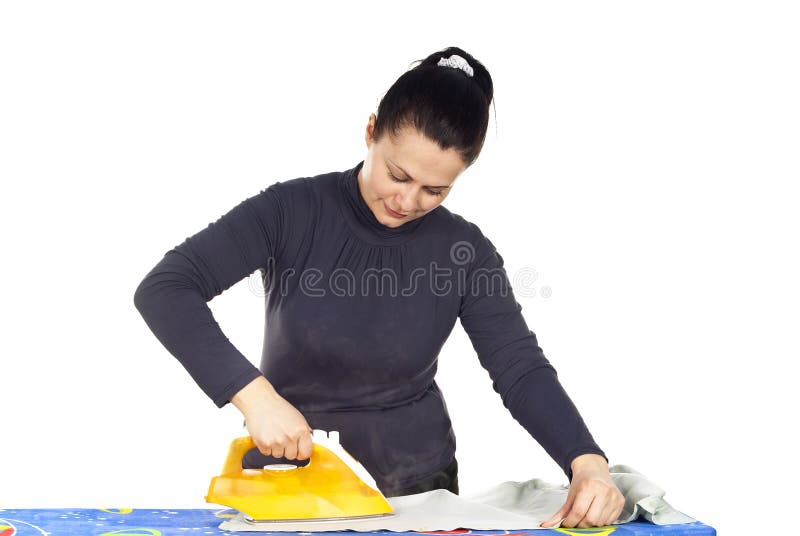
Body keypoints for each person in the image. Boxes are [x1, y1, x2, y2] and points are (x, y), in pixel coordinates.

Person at [133, 46, 625, 529]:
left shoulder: (466, 252)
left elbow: (519, 367)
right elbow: (167, 288)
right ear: (371, 132)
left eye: (435, 190)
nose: (408, 201)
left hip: (420, 493)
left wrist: (587, 462)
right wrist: (253, 396)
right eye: (398, 174)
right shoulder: (289, 211)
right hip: (293, 484)